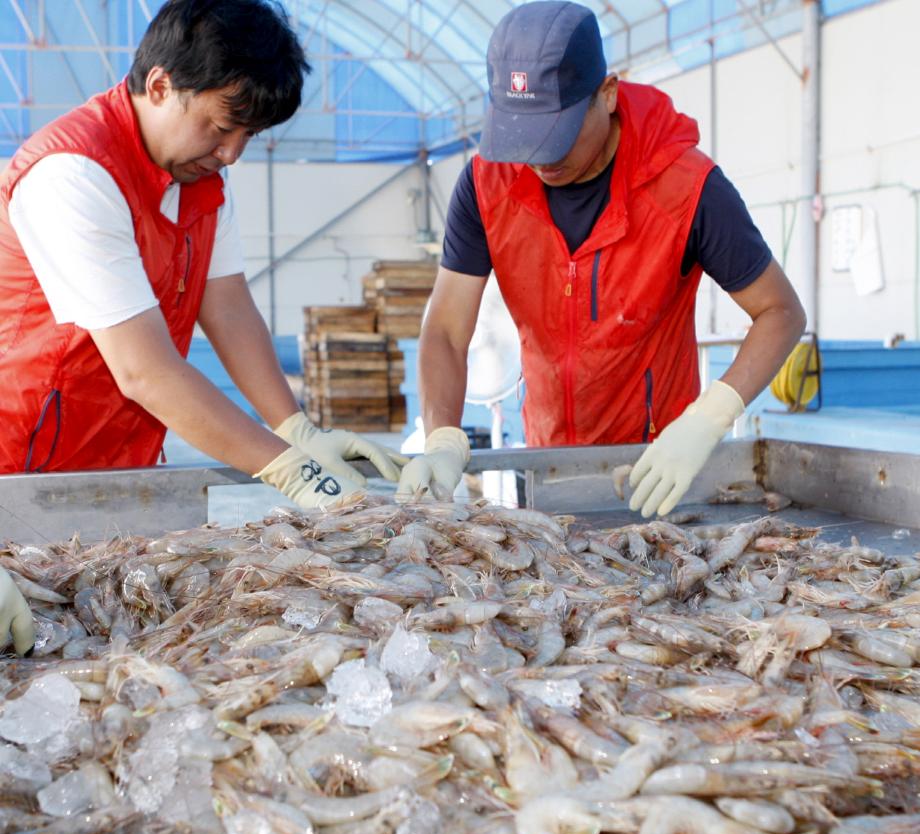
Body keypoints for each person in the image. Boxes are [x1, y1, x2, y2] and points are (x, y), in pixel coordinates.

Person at [0, 0, 405, 655]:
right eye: (220, 127)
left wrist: (295, 427)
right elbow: (146, 369)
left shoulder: (198, 177)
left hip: (116, 471)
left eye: (247, 137)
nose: (232, 153)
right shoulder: (73, 175)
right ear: (160, 86)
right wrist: (293, 472)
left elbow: (228, 305)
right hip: (21, 475)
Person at [397, 0, 806, 517]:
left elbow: (781, 312)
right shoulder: (487, 185)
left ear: (607, 95)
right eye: (523, 136)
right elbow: (447, 332)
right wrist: (442, 440)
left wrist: (710, 417)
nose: (540, 158)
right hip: (548, 466)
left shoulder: (687, 188)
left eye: (555, 134)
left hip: (660, 468)